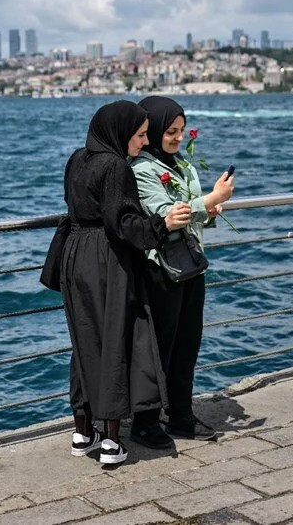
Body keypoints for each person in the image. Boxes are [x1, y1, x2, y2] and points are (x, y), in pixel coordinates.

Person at [57, 100, 191, 465]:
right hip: (106, 259)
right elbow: (124, 224)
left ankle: (82, 432)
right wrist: (164, 225)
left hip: (74, 256)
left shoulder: (76, 159)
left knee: (84, 340)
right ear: (120, 133)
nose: (143, 143)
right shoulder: (116, 166)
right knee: (115, 341)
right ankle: (113, 443)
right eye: (140, 135)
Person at [129, 96, 234, 447]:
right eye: (169, 131)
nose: (176, 137)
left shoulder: (183, 163)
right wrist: (211, 200)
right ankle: (145, 419)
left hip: (191, 265)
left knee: (188, 342)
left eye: (180, 130)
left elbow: (192, 211)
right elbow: (166, 214)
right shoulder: (142, 170)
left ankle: (180, 414)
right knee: (160, 345)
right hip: (160, 269)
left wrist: (210, 208)